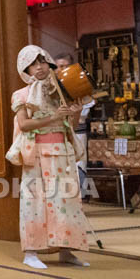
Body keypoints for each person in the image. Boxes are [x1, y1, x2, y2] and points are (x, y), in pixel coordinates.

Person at [6, 45, 91, 270]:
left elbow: (69, 126)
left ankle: (66, 249)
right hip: (37, 154)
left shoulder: (59, 92)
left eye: (42, 62)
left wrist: (77, 111)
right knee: (34, 202)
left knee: (65, 202)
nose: (39, 67)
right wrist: (53, 116)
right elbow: (24, 124)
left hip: (61, 152)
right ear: (26, 69)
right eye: (33, 64)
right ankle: (31, 251)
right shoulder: (22, 94)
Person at [54, 52, 94, 194]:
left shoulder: (80, 89)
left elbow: (80, 117)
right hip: (59, 135)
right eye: (57, 66)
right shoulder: (53, 89)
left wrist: (75, 111)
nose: (60, 70)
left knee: (78, 164)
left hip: (78, 133)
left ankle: (80, 197)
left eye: (64, 66)